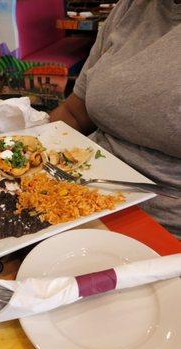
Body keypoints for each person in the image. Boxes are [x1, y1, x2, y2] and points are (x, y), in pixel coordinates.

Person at [50, 0, 181, 239]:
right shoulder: (130, 6)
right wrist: (25, 148)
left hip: (163, 233)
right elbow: (74, 114)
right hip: (74, 200)